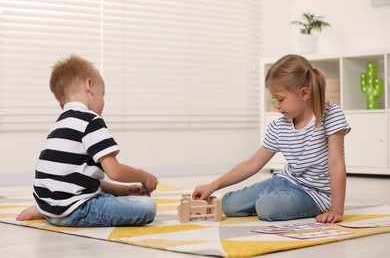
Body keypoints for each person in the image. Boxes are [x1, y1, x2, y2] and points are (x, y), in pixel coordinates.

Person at [192, 54, 351, 224]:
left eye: (280, 98)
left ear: (304, 93)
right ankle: (267, 199)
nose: (276, 105)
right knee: (228, 205)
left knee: (267, 208)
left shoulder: (331, 115)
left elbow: (336, 163)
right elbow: (252, 163)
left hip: (314, 194)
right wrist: (213, 185)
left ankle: (269, 200)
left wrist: (336, 209)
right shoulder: (279, 127)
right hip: (284, 181)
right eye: (273, 98)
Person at [16, 55, 158, 227]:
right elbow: (115, 171)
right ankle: (61, 211)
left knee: (92, 192)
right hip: (77, 209)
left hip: (50, 204)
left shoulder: (59, 124)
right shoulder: (91, 121)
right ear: (89, 86)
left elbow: (78, 177)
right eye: (102, 94)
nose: (103, 102)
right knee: (147, 207)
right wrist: (145, 176)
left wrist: (121, 190)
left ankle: (45, 210)